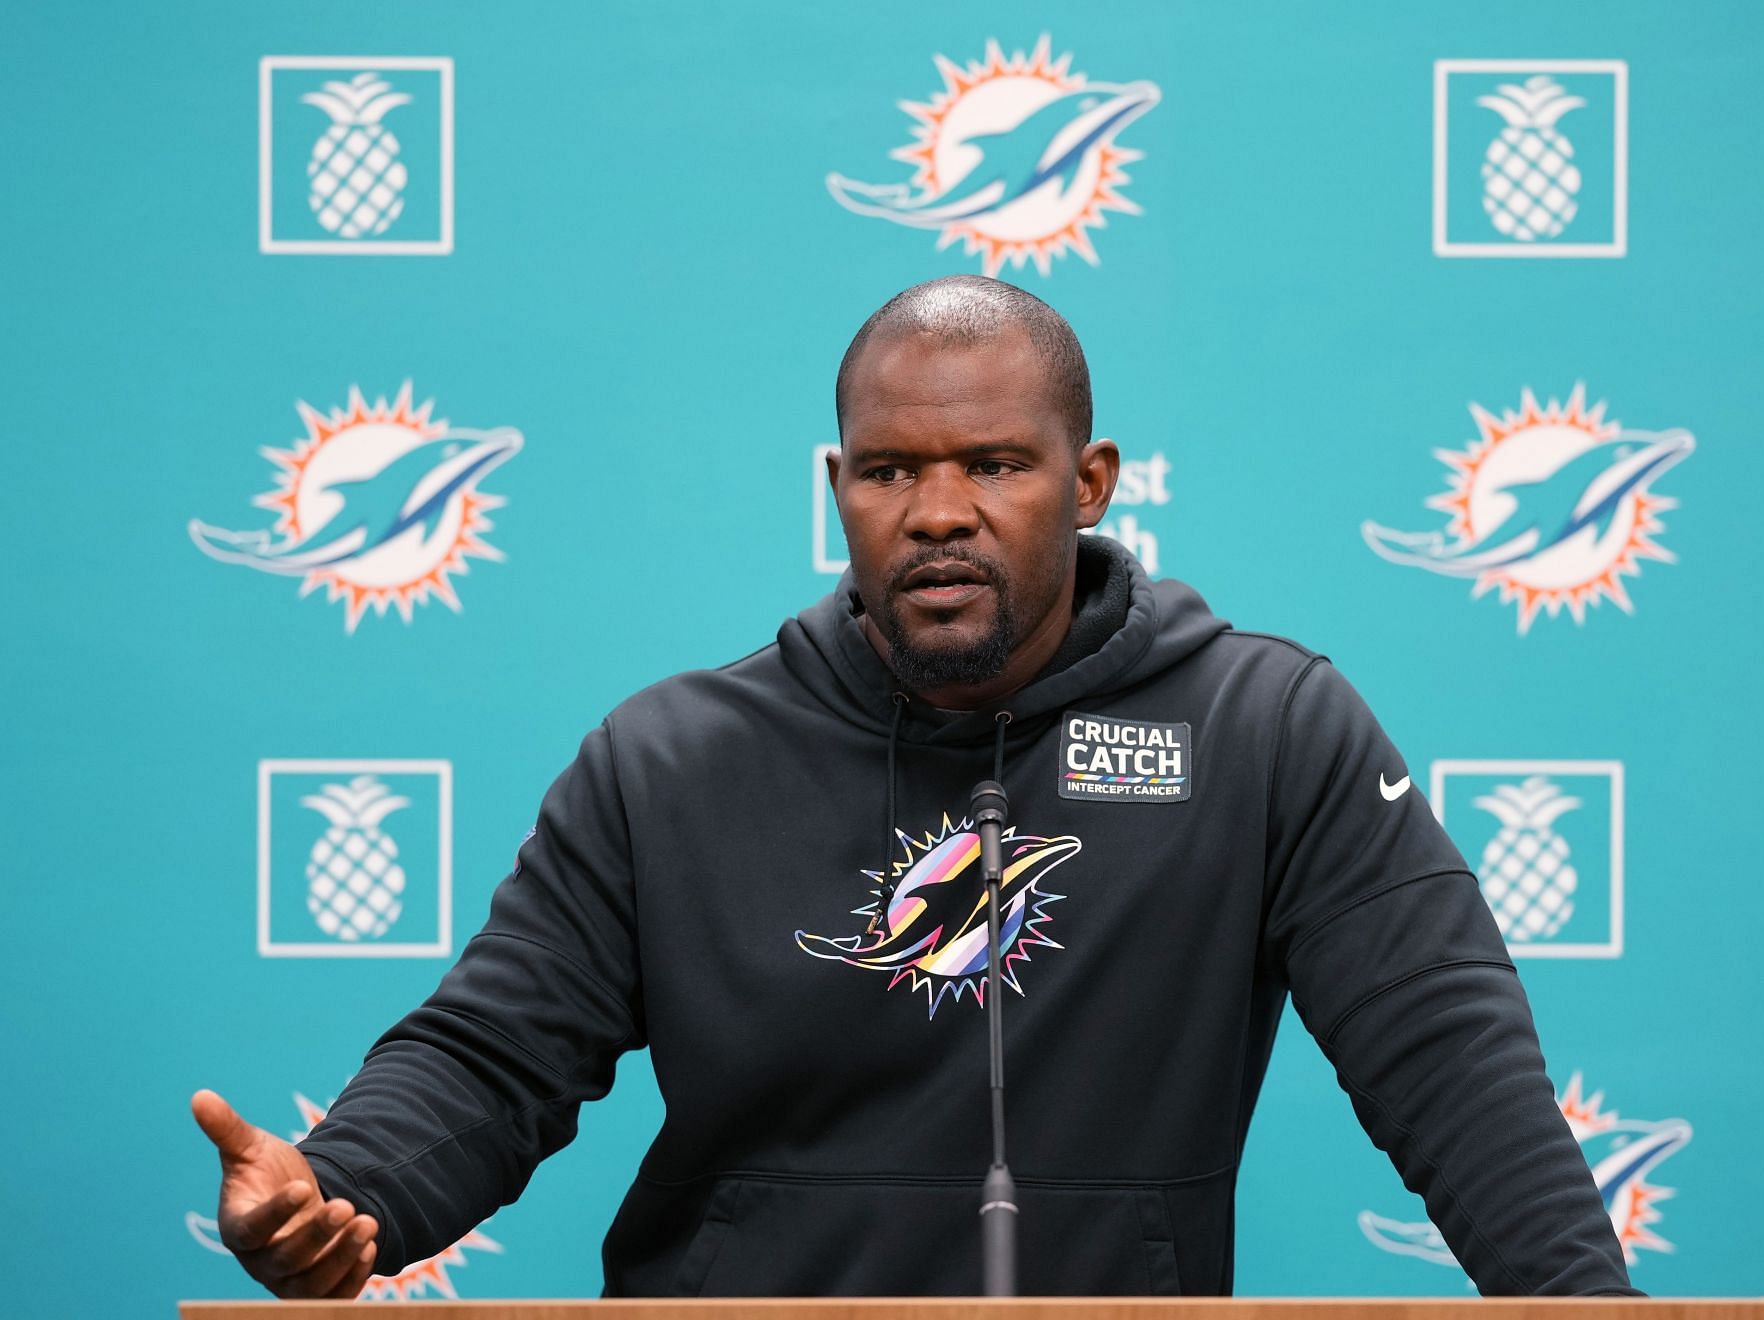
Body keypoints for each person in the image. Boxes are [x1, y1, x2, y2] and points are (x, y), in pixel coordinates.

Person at [192, 275, 1638, 1299]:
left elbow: (1449, 1059)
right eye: (890, 471)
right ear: (839, 489)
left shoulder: (1266, 727)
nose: (938, 511)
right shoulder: (673, 760)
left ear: (1091, 483)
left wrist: (1587, 1307)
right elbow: (493, 1057)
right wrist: (343, 1193)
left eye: (995, 463)